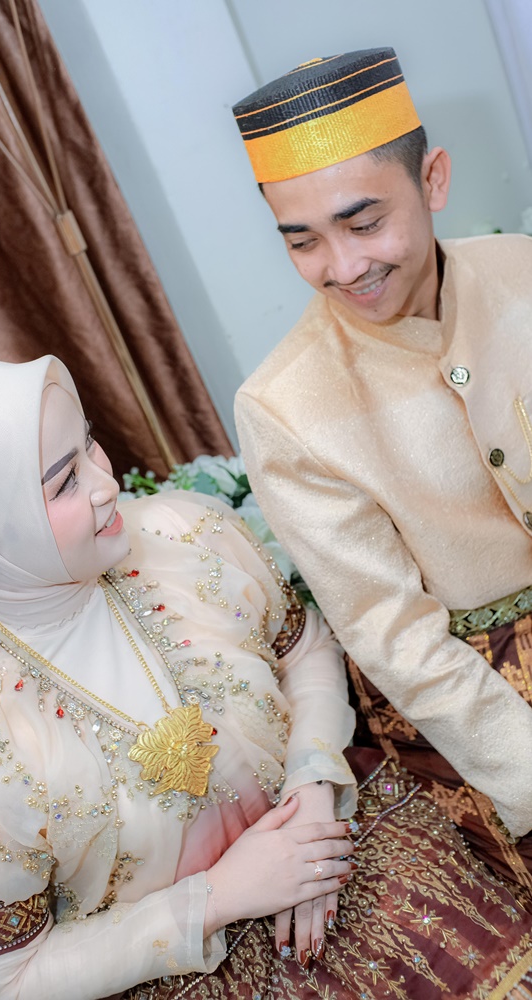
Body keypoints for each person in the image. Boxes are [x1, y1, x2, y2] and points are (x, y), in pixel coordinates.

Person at [0, 288, 531, 1000]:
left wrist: (312, 787)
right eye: (62, 483)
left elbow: (304, 650)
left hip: (345, 843)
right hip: (184, 975)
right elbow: (10, 978)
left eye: (87, 443)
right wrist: (216, 898)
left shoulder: (185, 534)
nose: (105, 483)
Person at [232, 47, 532, 893]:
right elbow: (394, 636)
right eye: (302, 242)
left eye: (363, 224)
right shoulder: (283, 406)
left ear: (432, 180)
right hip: (475, 690)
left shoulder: (520, 267)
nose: (342, 267)